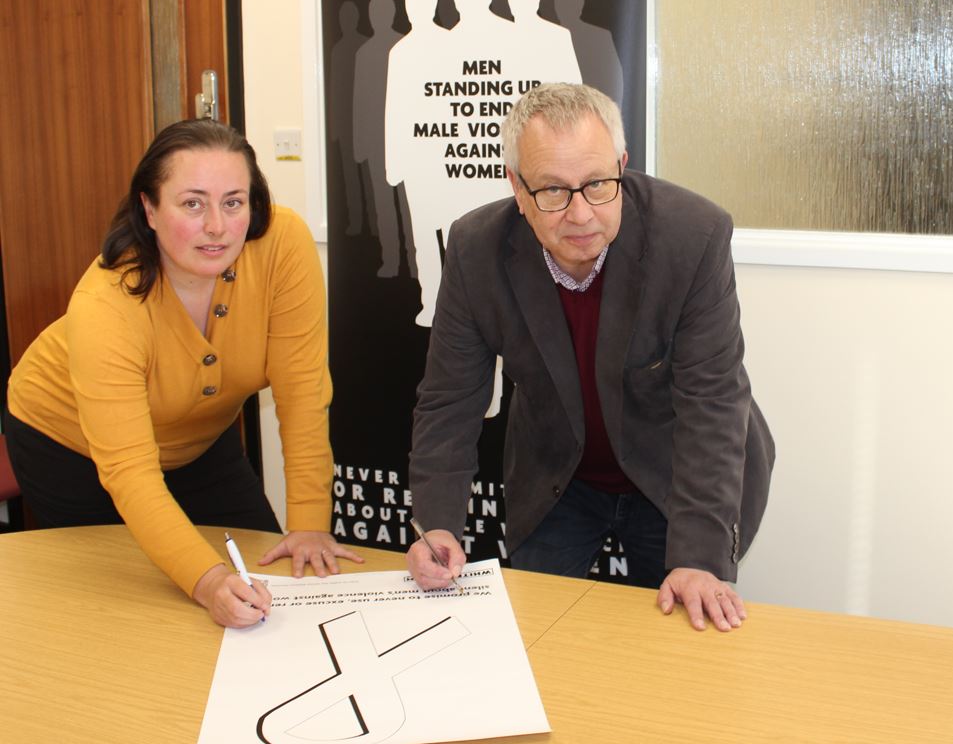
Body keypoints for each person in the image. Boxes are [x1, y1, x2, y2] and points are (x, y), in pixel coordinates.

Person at [406, 83, 775, 631]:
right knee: (542, 636)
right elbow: (450, 400)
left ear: (622, 165)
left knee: (679, 641)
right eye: (552, 190)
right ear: (517, 186)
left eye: (599, 185)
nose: (580, 214)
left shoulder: (693, 236)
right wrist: (436, 525)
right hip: (559, 470)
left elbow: (713, 400)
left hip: (676, 474)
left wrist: (699, 557)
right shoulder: (475, 248)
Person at [5, 119, 361, 627]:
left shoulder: (283, 244)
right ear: (148, 209)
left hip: (200, 439)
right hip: (72, 449)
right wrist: (208, 582)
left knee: (272, 583)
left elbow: (303, 394)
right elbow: (129, 474)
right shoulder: (106, 304)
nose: (216, 225)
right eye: (192, 203)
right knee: (132, 618)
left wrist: (307, 526)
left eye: (234, 202)